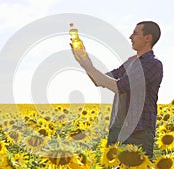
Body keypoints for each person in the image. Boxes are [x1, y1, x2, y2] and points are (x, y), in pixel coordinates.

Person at [70, 21, 163, 159]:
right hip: (117, 130)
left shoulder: (153, 64)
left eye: (135, 33)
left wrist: (88, 65)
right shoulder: (130, 63)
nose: (131, 37)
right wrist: (84, 61)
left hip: (139, 132)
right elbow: (99, 80)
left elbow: (119, 87)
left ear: (147, 38)